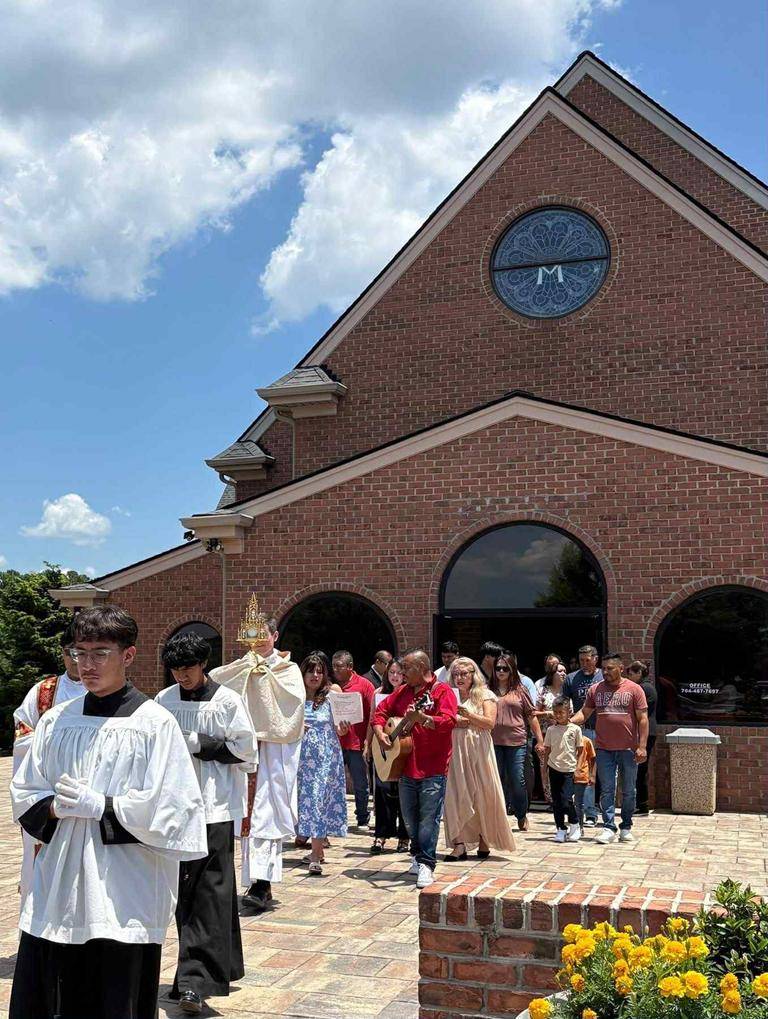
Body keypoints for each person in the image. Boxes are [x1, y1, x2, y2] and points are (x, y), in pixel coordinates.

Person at [10, 606, 207, 1019]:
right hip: (60, 884)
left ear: (129, 656)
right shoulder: (58, 720)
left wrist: (104, 807)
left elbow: (175, 812)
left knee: (114, 998)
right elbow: (25, 788)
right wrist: (53, 808)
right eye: (80, 653)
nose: (87, 665)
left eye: (100, 653)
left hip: (124, 888)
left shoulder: (154, 723)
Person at [156, 630, 258, 1014]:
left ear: (204, 665)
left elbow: (246, 751)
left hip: (214, 808)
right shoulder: (164, 701)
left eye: (189, 669)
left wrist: (203, 743)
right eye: (176, 670)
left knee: (210, 892)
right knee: (179, 892)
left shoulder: (227, 702)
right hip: (175, 809)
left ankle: (193, 981)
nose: (182, 676)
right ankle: (206, 972)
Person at [213, 613, 304, 912]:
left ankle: (262, 884)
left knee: (264, 815)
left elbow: (292, 707)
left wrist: (263, 679)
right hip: (241, 753)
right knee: (239, 815)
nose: (258, 639)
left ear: (275, 636)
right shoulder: (240, 667)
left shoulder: (288, 670)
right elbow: (216, 683)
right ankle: (239, 880)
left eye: (263, 633)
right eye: (252, 633)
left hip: (270, 755)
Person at [12, 621, 84, 904]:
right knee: (40, 862)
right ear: (62, 652)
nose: (78, 660)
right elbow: (22, 730)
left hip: (85, 792)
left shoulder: (106, 691)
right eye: (72, 652)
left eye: (85, 652)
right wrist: (54, 741)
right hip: (45, 792)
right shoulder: (44, 691)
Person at [372, 649, 457, 888]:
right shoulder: (402, 692)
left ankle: (427, 864)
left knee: (429, 818)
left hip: (433, 767)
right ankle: (417, 855)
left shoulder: (442, 691)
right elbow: (380, 713)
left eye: (407, 668)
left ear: (421, 668)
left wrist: (424, 719)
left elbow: (449, 721)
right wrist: (380, 734)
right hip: (404, 766)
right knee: (410, 819)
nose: (402, 673)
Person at [571, 651, 648, 845]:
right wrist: (568, 723)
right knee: (607, 789)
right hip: (604, 748)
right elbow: (585, 713)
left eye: (610, 669)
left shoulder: (634, 689)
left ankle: (626, 826)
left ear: (621, 669)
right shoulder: (595, 690)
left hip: (628, 749)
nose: (605, 672)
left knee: (629, 790)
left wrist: (642, 746)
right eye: (603, 668)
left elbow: (643, 719)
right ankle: (608, 827)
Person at [443, 658, 515, 860]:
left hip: (479, 749)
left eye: (464, 673)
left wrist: (468, 716)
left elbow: (489, 723)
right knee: (456, 793)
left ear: (473, 675)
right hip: (455, 749)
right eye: (456, 674)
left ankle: (485, 838)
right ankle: (459, 844)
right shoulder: (448, 695)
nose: (459, 678)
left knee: (483, 792)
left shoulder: (485, 694)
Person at [297, 653, 349, 874]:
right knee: (306, 803)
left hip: (326, 759)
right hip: (301, 760)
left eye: (319, 671)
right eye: (311, 671)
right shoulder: (294, 698)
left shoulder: (331, 696)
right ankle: (316, 848)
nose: (315, 675)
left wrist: (344, 730)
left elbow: (338, 728)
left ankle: (316, 855)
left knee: (318, 801)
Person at [489, 652, 544, 832]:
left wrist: (540, 740)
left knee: (517, 779)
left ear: (512, 669)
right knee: (496, 780)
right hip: (493, 741)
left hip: (517, 741)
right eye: (498, 668)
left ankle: (521, 814)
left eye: (505, 668)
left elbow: (531, 716)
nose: (501, 671)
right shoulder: (488, 690)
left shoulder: (520, 689)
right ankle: (498, 816)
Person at [365, 657, 409, 854]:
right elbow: (373, 720)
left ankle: (404, 836)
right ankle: (381, 834)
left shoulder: (410, 694)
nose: (395, 676)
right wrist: (367, 742)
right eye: (391, 672)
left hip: (403, 749)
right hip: (381, 747)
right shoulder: (379, 693)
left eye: (399, 673)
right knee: (381, 792)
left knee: (403, 794)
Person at [332, 651, 375, 829]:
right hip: (335, 742)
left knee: (360, 782)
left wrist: (368, 741)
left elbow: (373, 715)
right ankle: (333, 817)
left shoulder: (364, 685)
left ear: (350, 667)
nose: (335, 670)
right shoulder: (330, 686)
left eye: (339, 666)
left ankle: (362, 817)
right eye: (333, 666)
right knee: (332, 780)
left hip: (356, 742)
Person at [562, 646, 603, 826]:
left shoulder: (604, 677)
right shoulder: (571, 678)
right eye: (581, 661)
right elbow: (564, 703)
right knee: (585, 772)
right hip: (582, 730)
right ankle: (590, 813)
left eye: (588, 660)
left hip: (603, 730)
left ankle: (604, 808)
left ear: (596, 659)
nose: (584, 664)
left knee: (607, 773)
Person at [541, 696, 583, 843]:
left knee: (567, 800)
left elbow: (580, 750)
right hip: (553, 768)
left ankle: (575, 823)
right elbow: (547, 751)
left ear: (569, 712)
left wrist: (578, 768)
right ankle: (560, 828)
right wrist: (544, 770)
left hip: (569, 769)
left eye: (561, 712)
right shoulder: (551, 730)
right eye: (556, 712)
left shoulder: (575, 730)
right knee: (557, 802)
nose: (558, 715)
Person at [534, 655, 566, 803]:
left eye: (564, 671)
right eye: (559, 671)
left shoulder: (568, 691)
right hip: (547, 735)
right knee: (546, 767)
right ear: (552, 674)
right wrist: (547, 713)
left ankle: (564, 798)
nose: (563, 673)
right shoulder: (543, 691)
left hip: (565, 736)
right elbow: (533, 713)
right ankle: (551, 799)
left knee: (564, 766)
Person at [627, 660, 657, 816]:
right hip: (647, 731)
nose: (629, 677)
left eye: (631, 674)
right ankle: (640, 804)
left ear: (639, 673)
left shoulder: (644, 689)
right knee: (639, 769)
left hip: (645, 732)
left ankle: (642, 805)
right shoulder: (647, 687)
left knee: (640, 769)